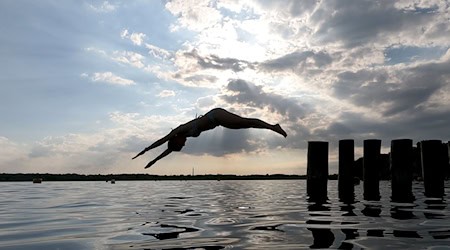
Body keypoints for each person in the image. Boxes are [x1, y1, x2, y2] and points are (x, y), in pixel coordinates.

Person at [132, 108, 287, 169]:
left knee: (244, 122)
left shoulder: (180, 130)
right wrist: (154, 161)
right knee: (245, 124)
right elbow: (169, 150)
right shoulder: (182, 136)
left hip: (215, 116)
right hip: (217, 121)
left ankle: (274, 127)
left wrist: (144, 151)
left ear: (175, 140)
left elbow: (161, 142)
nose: (184, 144)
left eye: (181, 145)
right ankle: (273, 127)